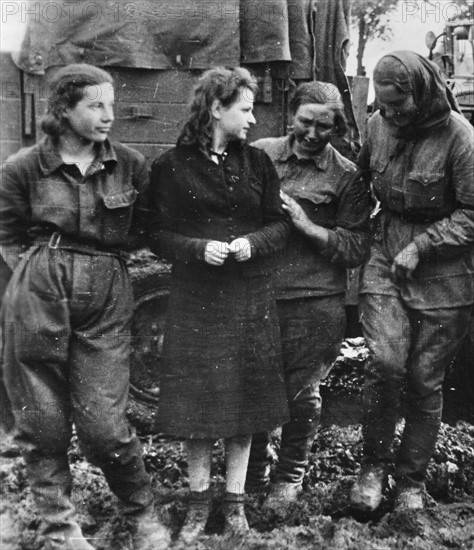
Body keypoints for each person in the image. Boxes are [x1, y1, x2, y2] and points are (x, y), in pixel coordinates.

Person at [0, 64, 170, 550]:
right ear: (63, 110)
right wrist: (38, 273)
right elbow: (6, 234)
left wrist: (101, 267)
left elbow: (147, 227)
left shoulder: (131, 165)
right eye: (95, 105)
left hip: (106, 290)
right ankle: (61, 531)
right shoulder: (24, 168)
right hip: (38, 291)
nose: (108, 115)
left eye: (111, 104)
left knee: (104, 426)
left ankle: (142, 515)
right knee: (43, 423)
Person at [147, 67, 290, 543]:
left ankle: (234, 504)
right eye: (245, 110)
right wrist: (194, 249)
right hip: (198, 298)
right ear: (216, 108)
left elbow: (280, 226)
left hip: (250, 295)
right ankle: (196, 502)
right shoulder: (170, 166)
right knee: (198, 406)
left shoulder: (259, 165)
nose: (252, 119)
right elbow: (156, 233)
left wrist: (254, 242)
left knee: (245, 401)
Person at [350, 50, 474, 512]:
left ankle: (410, 483)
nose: (391, 116)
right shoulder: (378, 124)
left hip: (445, 270)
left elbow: (472, 212)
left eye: (399, 107)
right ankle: (371, 467)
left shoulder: (459, 137)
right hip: (386, 253)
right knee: (384, 363)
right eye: (384, 107)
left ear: (421, 96)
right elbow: (359, 180)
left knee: (425, 378)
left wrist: (424, 246)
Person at [245, 82, 371, 506]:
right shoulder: (259, 154)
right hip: (258, 292)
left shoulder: (347, 175)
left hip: (314, 299)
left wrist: (308, 225)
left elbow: (356, 247)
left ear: (336, 126)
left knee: (302, 394)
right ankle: (255, 469)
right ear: (290, 117)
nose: (313, 134)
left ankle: (290, 474)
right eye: (305, 123)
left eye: (324, 126)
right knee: (254, 386)